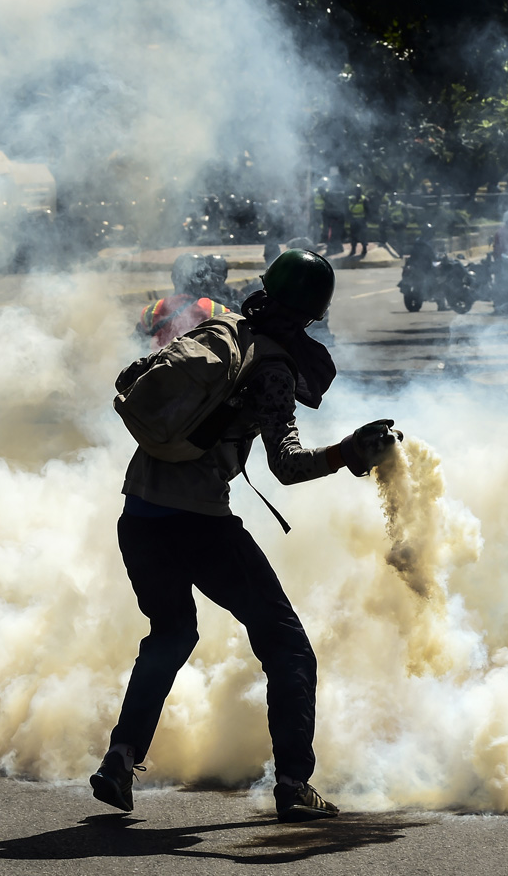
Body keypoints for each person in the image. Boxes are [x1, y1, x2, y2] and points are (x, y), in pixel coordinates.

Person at [90, 248, 403, 822]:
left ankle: (120, 755)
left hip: (137, 516)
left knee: (172, 632)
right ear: (313, 310)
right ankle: (292, 784)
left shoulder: (220, 328)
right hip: (199, 523)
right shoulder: (274, 369)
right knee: (287, 646)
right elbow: (285, 466)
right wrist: (347, 452)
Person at [136, 253, 238, 349]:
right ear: (203, 280)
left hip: (162, 367)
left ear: (173, 278)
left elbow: (138, 346)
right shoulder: (218, 310)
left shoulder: (150, 311)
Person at [347, 185, 369, 257]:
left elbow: (368, 211)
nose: (357, 192)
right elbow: (348, 209)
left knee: (363, 236)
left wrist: (365, 220)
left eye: (358, 191)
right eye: (356, 191)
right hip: (353, 221)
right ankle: (353, 250)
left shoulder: (364, 199)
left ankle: (364, 249)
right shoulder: (351, 199)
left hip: (362, 221)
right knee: (353, 236)